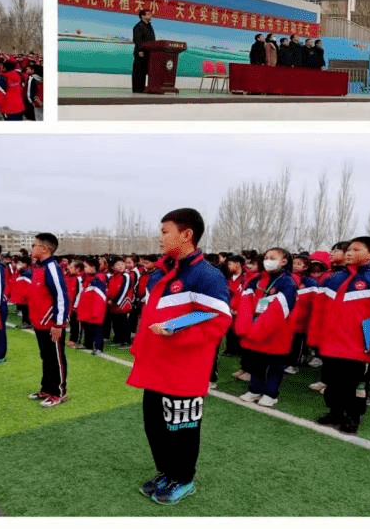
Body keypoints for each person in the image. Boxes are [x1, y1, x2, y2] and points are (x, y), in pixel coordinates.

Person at [127, 208, 231, 505]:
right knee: (155, 425)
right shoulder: (162, 271)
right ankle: (166, 471)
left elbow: (218, 320)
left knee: (181, 428)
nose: (160, 238)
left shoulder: (206, 275)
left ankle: (183, 478)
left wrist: (178, 334)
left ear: (186, 235)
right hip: (155, 365)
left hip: (183, 368)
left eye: (165, 231)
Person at [307, 235, 370, 434]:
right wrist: (315, 337)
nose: (349, 252)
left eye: (356, 250)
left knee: (355, 386)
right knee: (333, 382)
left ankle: (353, 417)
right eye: (348, 249)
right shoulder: (332, 279)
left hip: (359, 348)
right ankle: (335, 412)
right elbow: (318, 311)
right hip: (331, 344)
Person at [233, 247, 298, 407]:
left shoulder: (287, 282)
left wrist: (259, 329)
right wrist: (246, 326)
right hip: (255, 329)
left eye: (272, 257)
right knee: (257, 363)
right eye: (266, 257)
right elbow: (245, 303)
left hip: (277, 331)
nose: (267, 260)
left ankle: (271, 393)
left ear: (284, 261)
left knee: (275, 366)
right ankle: (255, 390)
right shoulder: (256, 280)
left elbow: (279, 309)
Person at [26, 233, 69, 408]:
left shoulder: (52, 268)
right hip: (39, 323)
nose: (32, 248)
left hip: (51, 324)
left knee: (56, 359)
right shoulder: (40, 268)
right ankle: (46, 388)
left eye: (34, 245)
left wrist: (58, 324)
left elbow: (61, 297)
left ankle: (59, 392)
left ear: (44, 248)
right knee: (46, 357)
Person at [132, 9, 156, 93]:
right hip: (140, 52)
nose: (151, 15)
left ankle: (142, 88)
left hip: (149, 53)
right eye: (148, 14)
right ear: (143, 16)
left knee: (145, 71)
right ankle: (137, 89)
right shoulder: (138, 26)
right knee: (139, 71)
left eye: (151, 14)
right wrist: (140, 51)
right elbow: (137, 40)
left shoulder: (150, 26)